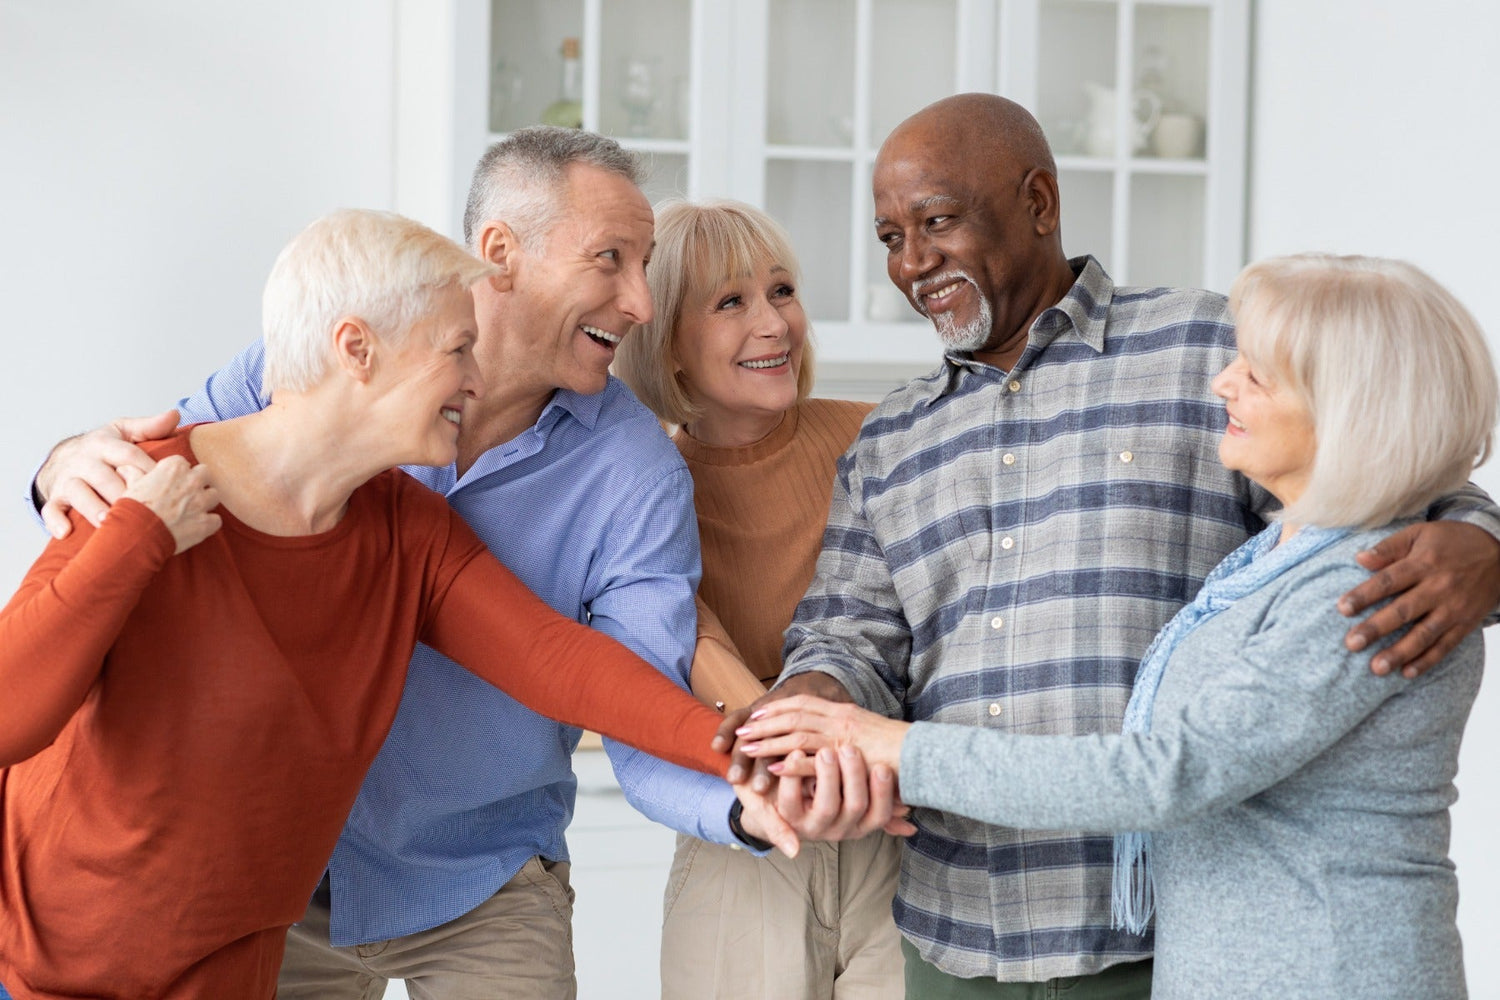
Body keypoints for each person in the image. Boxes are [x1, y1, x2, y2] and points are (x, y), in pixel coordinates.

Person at [719, 93, 1500, 997]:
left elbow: (1394, 464)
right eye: (891, 237)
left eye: (936, 222)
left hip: (1165, 936)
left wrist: (1485, 544)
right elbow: (847, 637)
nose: (914, 261)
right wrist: (806, 713)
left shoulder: (1208, 348)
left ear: (1039, 204)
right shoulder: (889, 441)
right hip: (954, 929)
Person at [29, 128, 803, 999]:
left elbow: (580, 673)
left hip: (477, 875)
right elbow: (142, 471)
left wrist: (738, 776)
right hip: (265, 885)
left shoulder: (448, 523)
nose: (641, 301)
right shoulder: (258, 408)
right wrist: (65, 467)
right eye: (609, 259)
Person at [613, 199, 907, 998]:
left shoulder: (881, 440)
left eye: (780, 291)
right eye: (731, 302)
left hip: (900, 838)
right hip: (743, 847)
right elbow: (676, 649)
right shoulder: (642, 491)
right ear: (668, 344)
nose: (774, 322)